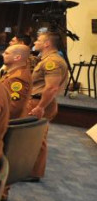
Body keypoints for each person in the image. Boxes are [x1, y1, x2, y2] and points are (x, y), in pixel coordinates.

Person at [27, 31, 69, 179]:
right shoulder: (46, 59)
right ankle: (31, 170)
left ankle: (33, 173)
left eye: (38, 40)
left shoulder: (53, 62)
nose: (35, 42)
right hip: (38, 101)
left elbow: (51, 87)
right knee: (33, 137)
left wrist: (40, 107)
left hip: (40, 102)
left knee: (37, 138)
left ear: (47, 44)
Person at [0, 44, 33, 119]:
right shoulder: (13, 73)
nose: (2, 55)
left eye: (6, 53)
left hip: (7, 122)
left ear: (17, 57)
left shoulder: (17, 78)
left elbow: (13, 107)